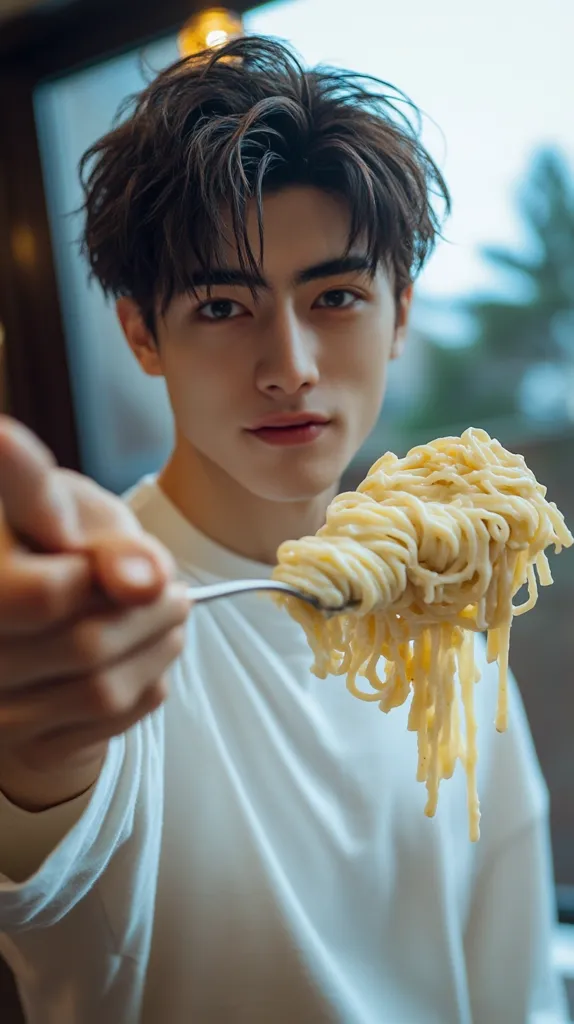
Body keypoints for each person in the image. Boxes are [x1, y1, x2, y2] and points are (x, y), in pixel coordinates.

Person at [0, 36, 567, 1024]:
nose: (290, 364)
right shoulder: (109, 623)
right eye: (222, 305)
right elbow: (50, 832)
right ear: (141, 333)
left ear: (399, 316)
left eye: (336, 296)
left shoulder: (446, 603)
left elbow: (510, 969)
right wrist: (33, 745)